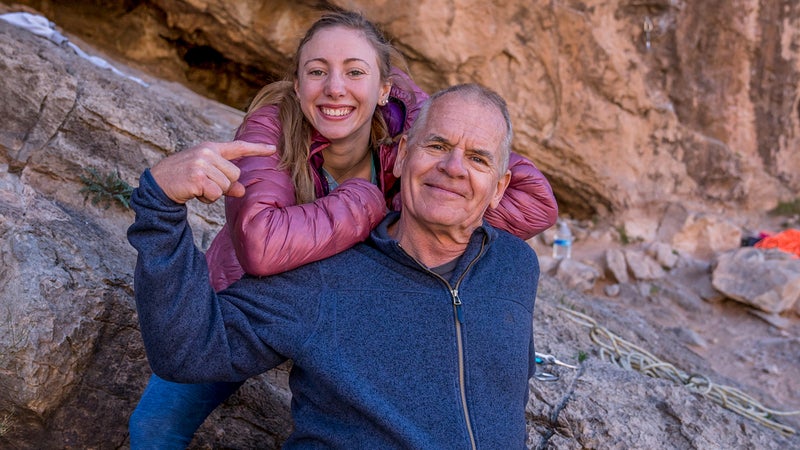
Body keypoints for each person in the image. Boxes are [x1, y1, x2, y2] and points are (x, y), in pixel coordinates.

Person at [129, 10, 557, 447]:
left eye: (355, 72)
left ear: (384, 88)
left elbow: (532, 201)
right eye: (317, 71)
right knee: (155, 424)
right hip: (259, 290)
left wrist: (449, 136)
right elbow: (260, 247)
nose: (336, 87)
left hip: (347, 294)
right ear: (297, 85)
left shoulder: (409, 136)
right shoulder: (270, 130)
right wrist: (367, 202)